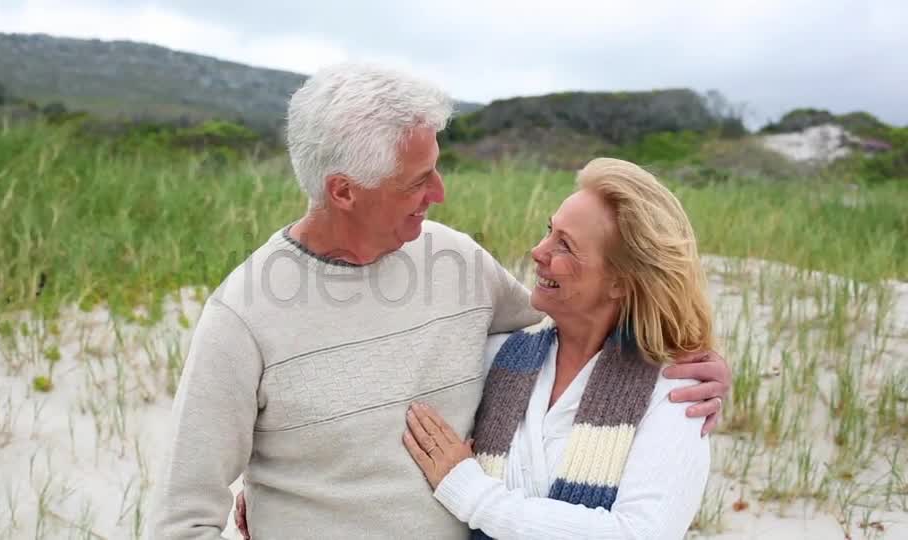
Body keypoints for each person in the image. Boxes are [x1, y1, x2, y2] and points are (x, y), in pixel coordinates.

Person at [149, 64, 730, 540]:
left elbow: (580, 326)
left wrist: (695, 360)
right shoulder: (244, 315)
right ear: (344, 190)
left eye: (437, 169)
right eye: (417, 181)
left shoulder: (457, 263)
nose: (440, 193)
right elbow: (182, 521)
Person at [402, 158, 715, 539]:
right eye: (549, 230)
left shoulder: (677, 392)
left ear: (621, 281)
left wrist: (472, 494)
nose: (538, 251)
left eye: (564, 245)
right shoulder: (498, 357)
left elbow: (640, 533)